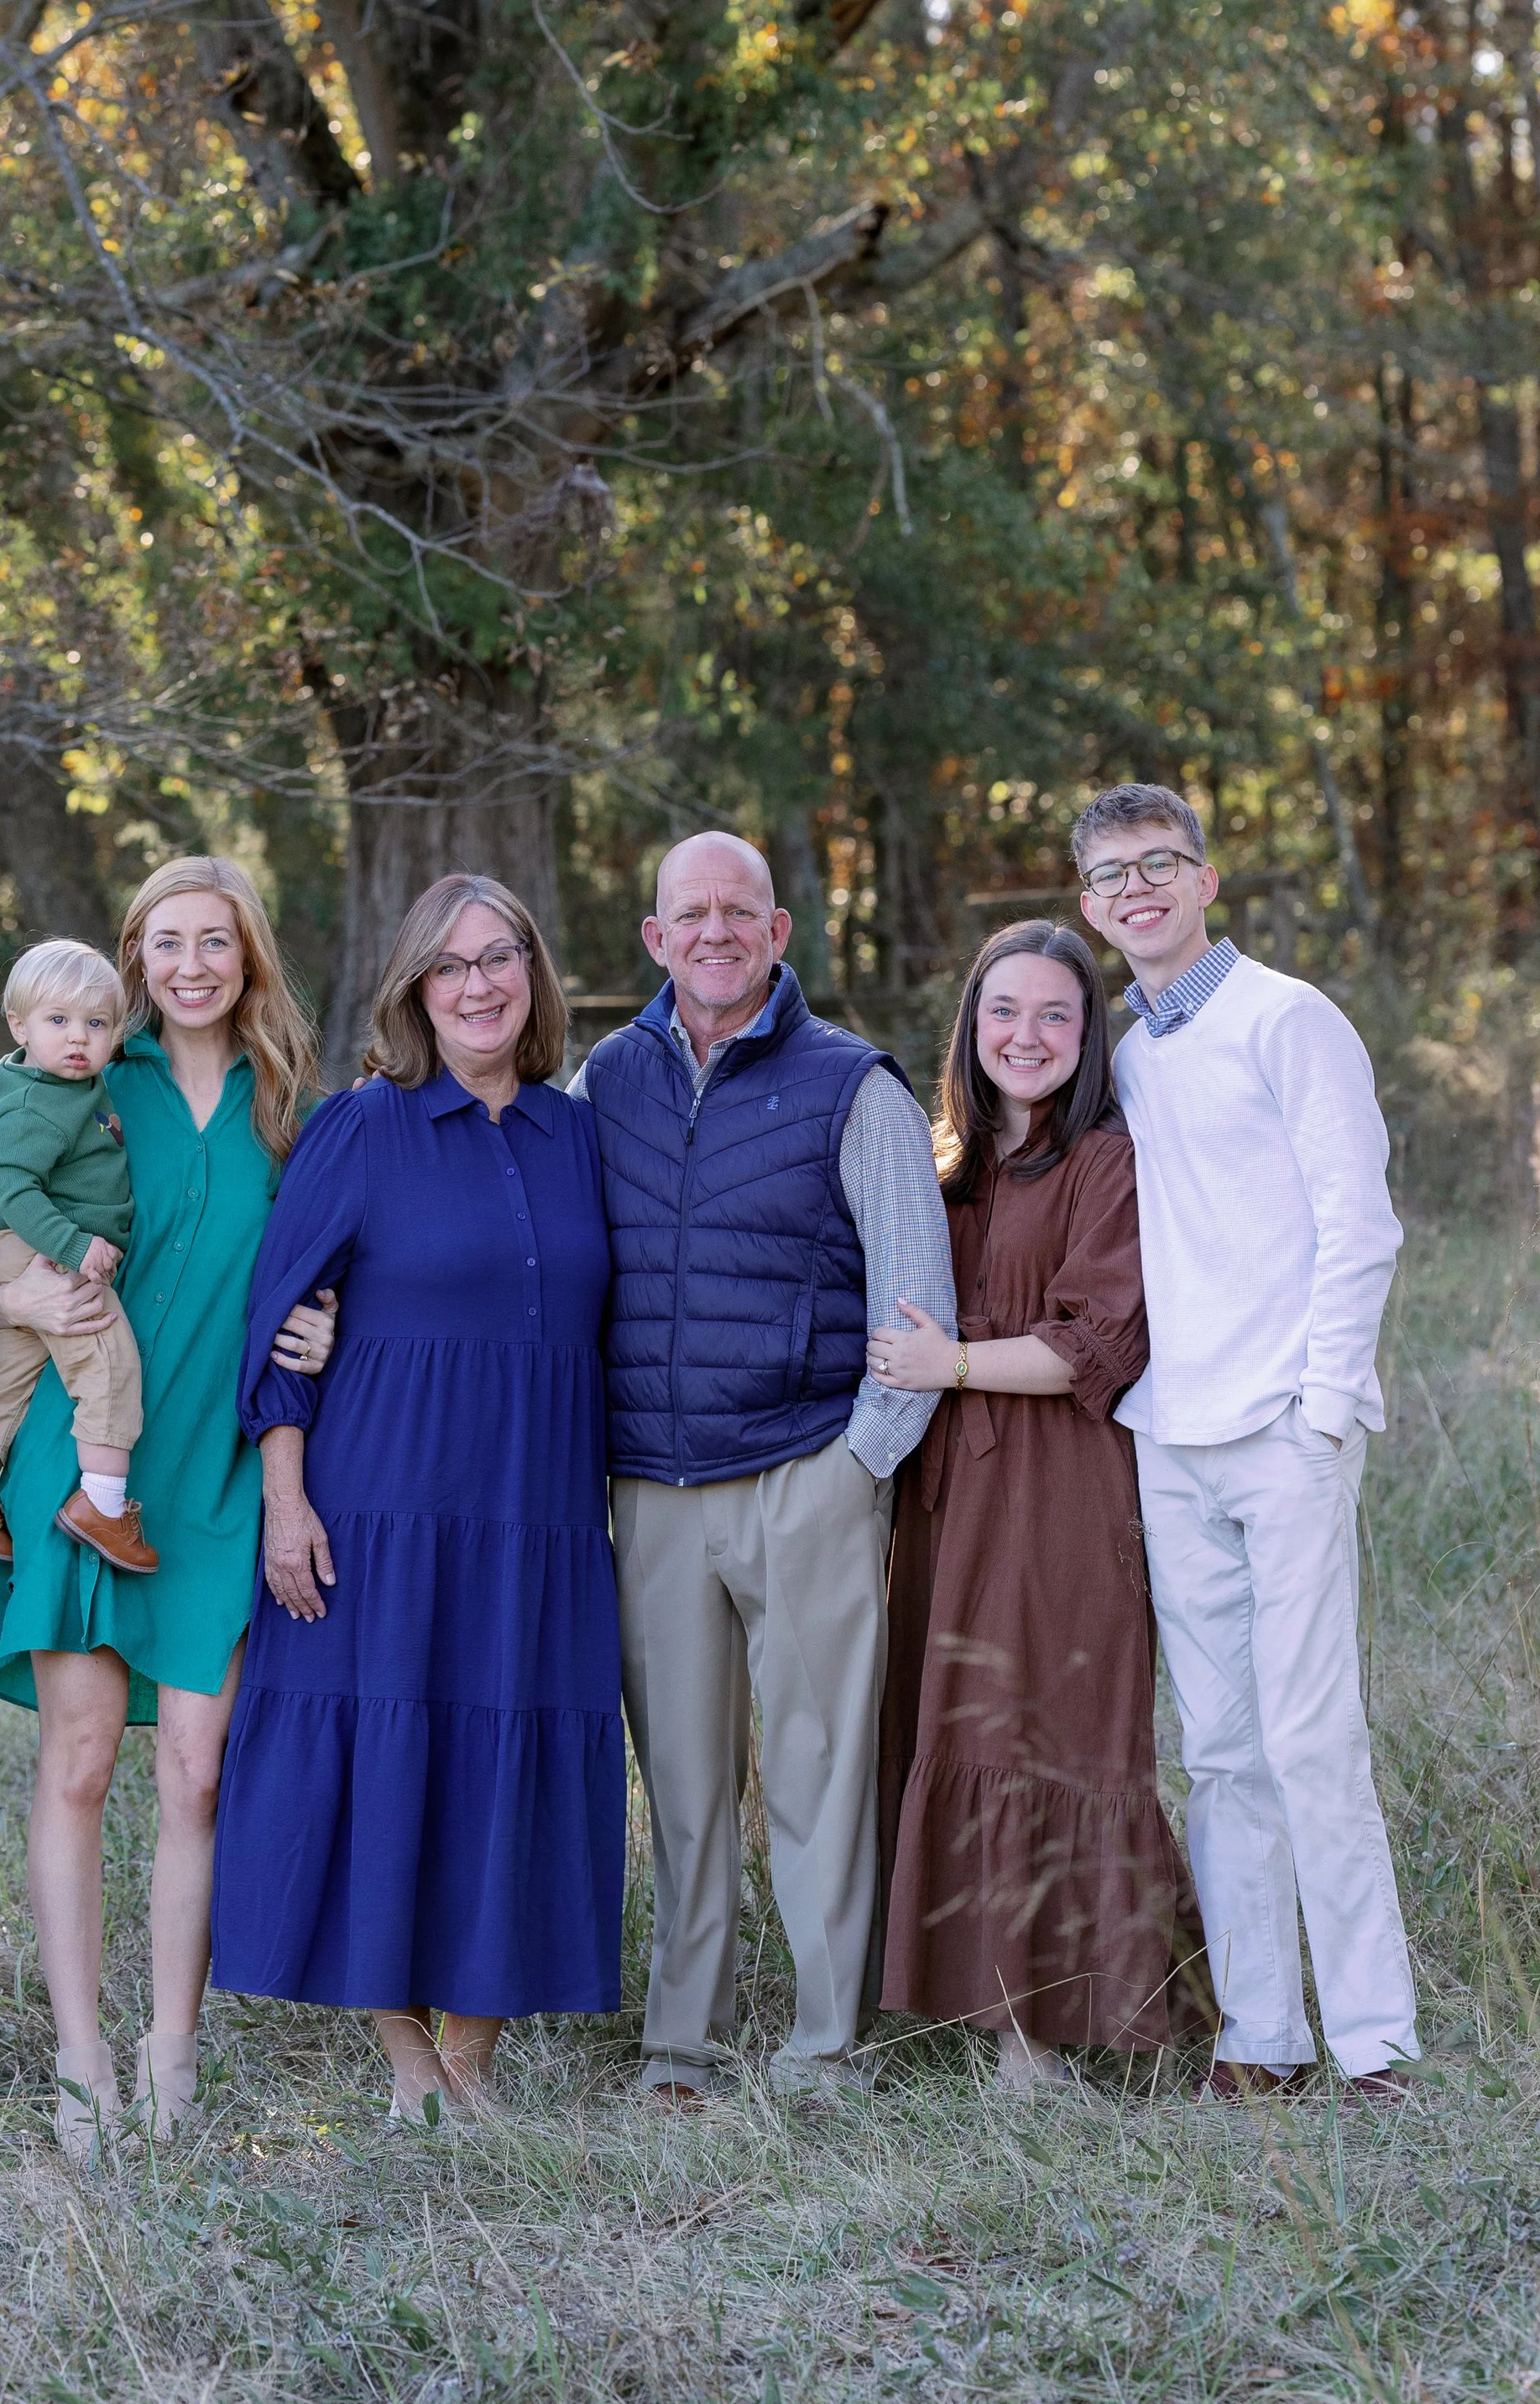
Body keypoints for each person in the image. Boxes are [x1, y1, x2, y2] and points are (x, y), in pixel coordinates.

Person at [212, 873, 623, 2123]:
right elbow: (275, 1323)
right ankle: (407, 2066)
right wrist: (287, 1499)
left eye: (503, 956)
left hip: (537, 1514)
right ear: (413, 990)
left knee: (507, 1755)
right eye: (452, 966)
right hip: (378, 1506)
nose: (482, 983)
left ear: (534, 975)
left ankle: (474, 2064)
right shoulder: (361, 1125)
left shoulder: (578, 1132)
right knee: (378, 1763)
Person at [572, 830, 956, 2105]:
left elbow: (917, 1308)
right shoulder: (601, 1081)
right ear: (656, 936)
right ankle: (682, 2043)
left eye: (743, 910)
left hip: (806, 1472)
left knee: (816, 1771)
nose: (718, 931)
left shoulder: (859, 1087)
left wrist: (860, 1466)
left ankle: (824, 2043)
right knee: (681, 1780)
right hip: (654, 1486)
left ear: (781, 929)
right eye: (694, 912)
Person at [0, 855, 331, 2159]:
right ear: (134, 954)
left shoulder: (292, 1104)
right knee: (77, 1765)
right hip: (87, 1466)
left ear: (249, 957)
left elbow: (338, 1259)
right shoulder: (81, 1073)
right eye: (166, 941)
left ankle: (169, 2052)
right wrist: (13, 1300)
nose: (191, 964)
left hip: (221, 1474)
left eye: (215, 942)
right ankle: (82, 2062)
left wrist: (327, 1320)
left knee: (195, 1772)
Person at [1074, 781, 1419, 2104]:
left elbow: (1359, 1221)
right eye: (1112, 876)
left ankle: (1377, 2038)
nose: (1139, 889)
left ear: (1208, 878)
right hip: (1175, 1430)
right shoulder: (1130, 1054)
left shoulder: (1289, 1016)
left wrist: (1327, 1405)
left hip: (1284, 1424)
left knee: (1313, 1731)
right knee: (1218, 1745)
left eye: (1162, 863)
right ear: (1091, 907)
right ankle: (1261, 2033)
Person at [864, 921, 1203, 2088]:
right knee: (953, 1719)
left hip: (1056, 1481)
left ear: (1087, 1032)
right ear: (971, 1024)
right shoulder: (940, 1155)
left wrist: (949, 1365)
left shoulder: (1105, 1159)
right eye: (1005, 1009)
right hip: (945, 1487)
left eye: (1056, 1013)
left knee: (1047, 1725)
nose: (1028, 1034)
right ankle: (971, 2003)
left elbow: (1090, 1343)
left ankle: (1036, 2035)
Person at [0, 937, 157, 1574]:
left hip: (33, 1253)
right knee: (110, 1367)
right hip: (47, 1254)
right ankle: (104, 1505)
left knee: (10, 1382)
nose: (78, 1038)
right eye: (58, 1021)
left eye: (96, 1024)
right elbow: (10, 1187)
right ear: (19, 1025)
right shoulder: (38, 1100)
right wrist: (73, 1245)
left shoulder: (66, 1085)